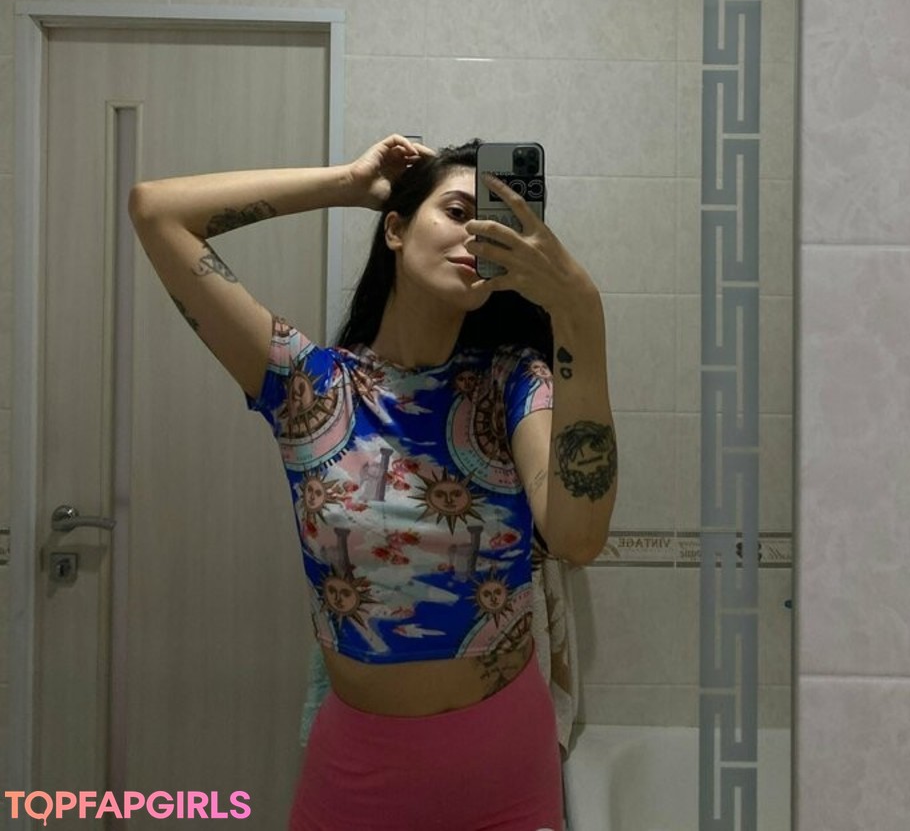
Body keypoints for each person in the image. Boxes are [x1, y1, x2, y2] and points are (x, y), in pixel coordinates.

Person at [128, 134, 618, 831]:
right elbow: (156, 211)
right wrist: (350, 184)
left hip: (505, 766)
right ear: (396, 229)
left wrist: (580, 314)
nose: (475, 235)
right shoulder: (308, 387)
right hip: (357, 770)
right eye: (457, 211)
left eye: (493, 223)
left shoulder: (515, 384)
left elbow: (577, 537)